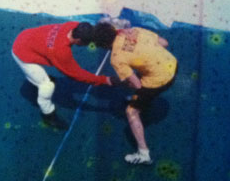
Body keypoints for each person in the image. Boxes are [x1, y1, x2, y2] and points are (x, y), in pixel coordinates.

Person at [94, 18, 178, 165]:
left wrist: (119, 81)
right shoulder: (135, 31)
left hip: (159, 80)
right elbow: (164, 43)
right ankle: (145, 102)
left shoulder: (116, 58)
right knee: (140, 74)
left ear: (103, 45)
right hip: (172, 64)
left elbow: (137, 85)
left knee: (131, 112)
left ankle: (143, 153)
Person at [12, 21, 118, 130]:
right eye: (87, 43)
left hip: (25, 37)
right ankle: (48, 114)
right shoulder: (61, 52)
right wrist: (105, 80)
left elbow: (95, 31)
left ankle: (35, 80)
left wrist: (116, 34)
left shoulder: (73, 25)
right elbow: (77, 75)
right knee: (47, 86)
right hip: (21, 53)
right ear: (79, 41)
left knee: (41, 77)